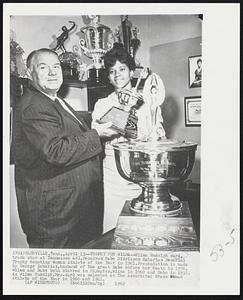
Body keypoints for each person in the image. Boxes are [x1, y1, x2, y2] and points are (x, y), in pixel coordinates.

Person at [12, 48, 115, 248]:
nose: (52, 72)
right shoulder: (34, 106)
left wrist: (94, 127)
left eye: (56, 66)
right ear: (29, 73)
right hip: (55, 216)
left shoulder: (54, 100)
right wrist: (97, 135)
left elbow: (67, 135)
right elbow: (56, 151)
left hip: (72, 210)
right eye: (43, 67)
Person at [91, 45, 143, 233]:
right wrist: (126, 109)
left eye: (122, 69)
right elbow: (99, 132)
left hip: (140, 172)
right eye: (112, 71)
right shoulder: (102, 104)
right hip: (112, 174)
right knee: (113, 227)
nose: (117, 75)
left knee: (139, 227)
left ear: (131, 71)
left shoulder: (147, 102)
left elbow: (151, 135)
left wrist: (137, 108)